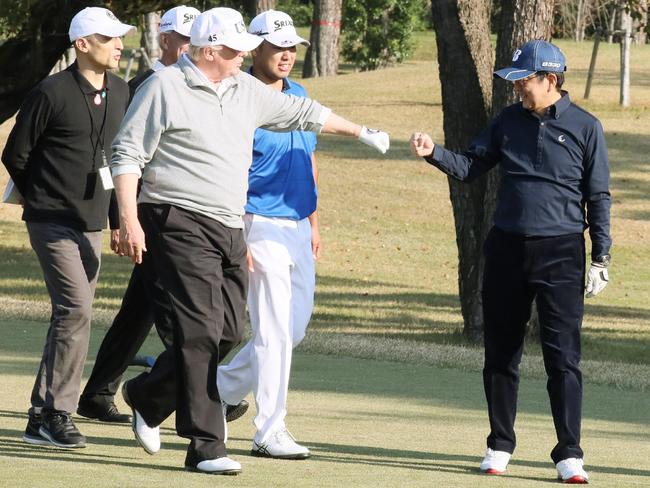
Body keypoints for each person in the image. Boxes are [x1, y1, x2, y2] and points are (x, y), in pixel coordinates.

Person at [111, 7, 389, 475]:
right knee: (199, 330)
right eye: (237, 50)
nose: (244, 56)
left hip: (228, 224)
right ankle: (206, 445)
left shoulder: (245, 91)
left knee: (227, 332)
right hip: (175, 216)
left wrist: (362, 132)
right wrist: (128, 218)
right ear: (210, 51)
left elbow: (305, 113)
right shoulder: (164, 88)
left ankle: (148, 394)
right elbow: (126, 152)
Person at [410, 40, 610, 484]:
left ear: (550, 80)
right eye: (516, 81)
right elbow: (469, 166)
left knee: (564, 359)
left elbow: (598, 197)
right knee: (501, 354)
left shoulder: (585, 127)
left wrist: (601, 255)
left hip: (561, 253)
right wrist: (433, 153)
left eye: (523, 81)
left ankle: (569, 454)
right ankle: (500, 444)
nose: (517, 88)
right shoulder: (506, 122)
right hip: (507, 249)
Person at [1, 7, 133, 448]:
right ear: (82, 45)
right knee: (76, 310)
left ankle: (39, 414)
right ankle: (59, 411)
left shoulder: (122, 90)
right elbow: (15, 154)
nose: (119, 45)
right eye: (109, 38)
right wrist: (42, 200)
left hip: (93, 221)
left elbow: (119, 162)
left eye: (120, 38)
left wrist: (118, 221)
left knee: (69, 316)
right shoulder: (50, 92)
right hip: (51, 221)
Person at [76, 4, 201, 425]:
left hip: (175, 212)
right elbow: (119, 156)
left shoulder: (196, 84)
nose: (191, 46)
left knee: (140, 309)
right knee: (172, 310)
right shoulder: (145, 84)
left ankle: (96, 393)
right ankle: (198, 391)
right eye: (184, 38)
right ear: (164, 39)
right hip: (150, 213)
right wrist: (121, 216)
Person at [216, 9, 321, 460]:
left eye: (292, 47)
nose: (286, 55)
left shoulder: (299, 94)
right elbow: (229, 170)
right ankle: (269, 430)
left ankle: (212, 389)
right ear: (252, 49)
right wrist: (238, 235)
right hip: (257, 221)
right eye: (277, 46)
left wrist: (314, 222)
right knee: (274, 331)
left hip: (299, 224)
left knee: (291, 329)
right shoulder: (240, 96)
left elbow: (309, 160)